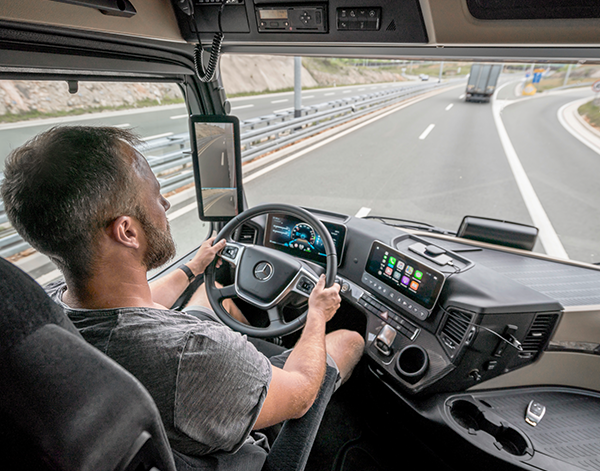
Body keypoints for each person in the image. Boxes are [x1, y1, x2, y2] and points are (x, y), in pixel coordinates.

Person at [1, 126, 365, 458]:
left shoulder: (40, 310)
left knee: (211, 295)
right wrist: (317, 313)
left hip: (172, 404)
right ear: (127, 232)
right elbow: (301, 393)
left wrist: (192, 268)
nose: (166, 205)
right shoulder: (194, 353)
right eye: (157, 196)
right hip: (235, 455)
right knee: (347, 340)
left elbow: (131, 310)